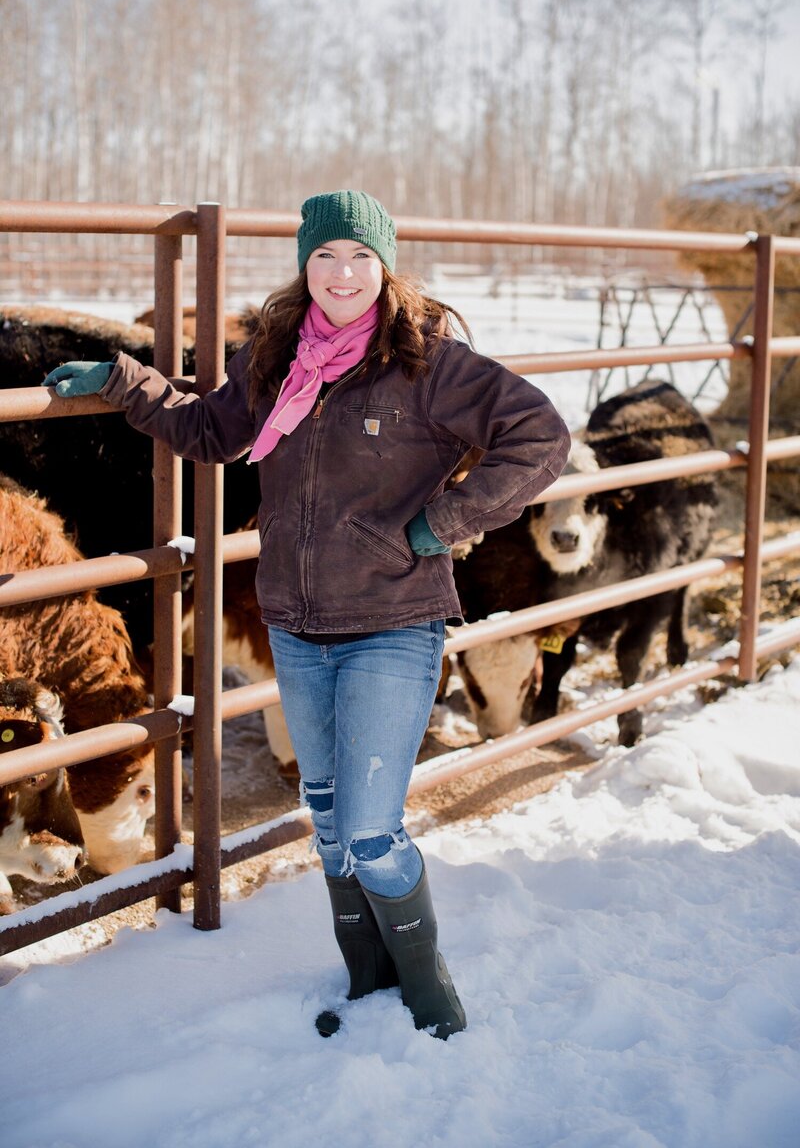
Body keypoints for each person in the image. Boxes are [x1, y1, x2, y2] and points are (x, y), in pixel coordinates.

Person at [43, 190, 570, 1040]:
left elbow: (540, 434)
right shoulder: (276, 356)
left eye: (360, 256)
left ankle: (431, 994)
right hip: (296, 621)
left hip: (394, 622)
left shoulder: (428, 360)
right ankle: (368, 979)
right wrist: (120, 377)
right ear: (305, 264)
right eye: (326, 255)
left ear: (385, 265)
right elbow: (208, 431)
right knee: (325, 818)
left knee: (369, 829)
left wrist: (444, 522)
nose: (343, 273)